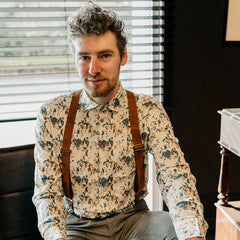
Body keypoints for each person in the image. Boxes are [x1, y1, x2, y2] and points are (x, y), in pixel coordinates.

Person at [32, 2, 208, 240]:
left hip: (135, 221)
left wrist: (191, 233)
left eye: (104, 55)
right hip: (78, 227)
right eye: (84, 57)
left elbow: (174, 175)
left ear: (123, 56)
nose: (93, 69)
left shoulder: (147, 109)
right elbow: (47, 193)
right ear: (75, 59)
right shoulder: (52, 114)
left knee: (178, 233)